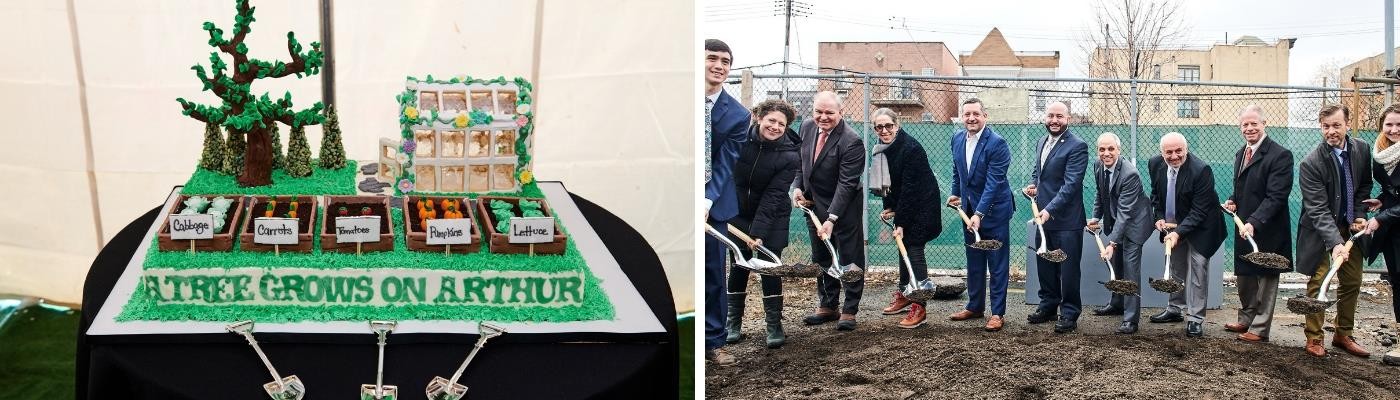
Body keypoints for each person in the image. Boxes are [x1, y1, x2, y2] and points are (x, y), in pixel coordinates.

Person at [1298, 105, 1373, 358]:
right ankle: (1314, 337)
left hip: (1351, 225)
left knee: (1352, 280)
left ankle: (1343, 334)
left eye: (1336, 125)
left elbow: (1364, 185)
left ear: (1347, 124)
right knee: (1319, 280)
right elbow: (1317, 209)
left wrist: (1360, 214)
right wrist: (1335, 243)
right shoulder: (1311, 162)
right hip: (1320, 230)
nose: (1331, 131)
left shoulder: (1361, 149)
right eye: (1326, 126)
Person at [724, 99, 800, 349]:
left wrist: (758, 232)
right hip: (738, 211)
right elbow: (728, 175)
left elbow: (774, 194)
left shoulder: (790, 154)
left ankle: (774, 325)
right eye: (771, 121)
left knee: (769, 265)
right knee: (739, 262)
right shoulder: (739, 138)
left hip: (772, 214)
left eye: (781, 123)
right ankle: (732, 323)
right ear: (759, 118)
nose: (775, 127)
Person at [793, 91, 867, 331]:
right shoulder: (805, 127)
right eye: (818, 112)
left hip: (843, 209)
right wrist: (796, 188)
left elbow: (847, 184)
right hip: (813, 206)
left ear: (841, 113)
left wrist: (832, 218)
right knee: (823, 255)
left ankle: (849, 310)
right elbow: (800, 162)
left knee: (849, 257)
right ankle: (828, 305)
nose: (823, 117)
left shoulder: (851, 141)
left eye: (829, 113)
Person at [1221, 105, 1294, 343]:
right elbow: (1244, 188)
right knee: (1245, 276)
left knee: (1266, 278)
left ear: (1264, 124)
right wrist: (1233, 200)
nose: (1250, 128)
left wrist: (1254, 222)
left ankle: (1260, 328)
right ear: (1240, 127)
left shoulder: (1280, 155)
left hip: (1268, 227)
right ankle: (1246, 318)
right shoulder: (1240, 153)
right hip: (1245, 226)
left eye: (1254, 123)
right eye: (1245, 124)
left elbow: (1277, 196)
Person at [869, 107, 943, 329]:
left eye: (888, 126)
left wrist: (900, 222)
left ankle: (919, 306)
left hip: (923, 206)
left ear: (897, 125)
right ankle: (904, 294)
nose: (884, 130)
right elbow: (888, 186)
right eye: (879, 127)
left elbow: (911, 189)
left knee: (913, 249)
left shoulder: (911, 148)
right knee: (903, 250)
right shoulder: (881, 150)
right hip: (906, 205)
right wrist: (890, 206)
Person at [1147, 132, 1226, 338]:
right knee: (1176, 266)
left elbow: (1199, 211)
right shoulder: (1155, 164)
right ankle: (1174, 309)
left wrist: (1178, 233)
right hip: (1174, 223)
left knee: (1198, 268)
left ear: (1186, 149)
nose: (1174, 156)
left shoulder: (1201, 170)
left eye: (1178, 151)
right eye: (1169, 152)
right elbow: (1156, 195)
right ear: (1161, 153)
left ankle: (1195, 318)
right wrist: (1159, 217)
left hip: (1203, 226)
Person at [947, 98, 1015, 332]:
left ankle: (997, 313)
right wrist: (956, 195)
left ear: (985, 116)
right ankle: (975, 307)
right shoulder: (956, 138)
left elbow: (993, 183)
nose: (971, 118)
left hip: (994, 212)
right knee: (974, 261)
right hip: (968, 212)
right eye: (967, 114)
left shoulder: (997, 143)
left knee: (997, 264)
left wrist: (979, 213)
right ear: (962, 117)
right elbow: (957, 171)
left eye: (976, 113)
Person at [703, 39, 749, 366]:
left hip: (713, 202)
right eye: (712, 58)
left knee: (713, 272)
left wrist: (705, 199)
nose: (719, 65)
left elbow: (726, 162)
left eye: (726, 61)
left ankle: (714, 341)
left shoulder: (737, 115)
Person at [1023, 100, 1088, 334]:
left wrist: (1049, 209)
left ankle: (1069, 312)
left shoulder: (1077, 146)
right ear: (1045, 118)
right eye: (1051, 115)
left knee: (1068, 268)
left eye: (1059, 116)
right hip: (1043, 217)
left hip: (1067, 221)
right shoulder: (1041, 141)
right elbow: (1039, 172)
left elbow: (1071, 186)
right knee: (1045, 263)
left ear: (1068, 119)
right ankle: (1048, 305)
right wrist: (1033, 186)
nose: (1054, 120)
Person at [1086, 132, 1154, 334]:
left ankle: (1131, 320)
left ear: (1119, 150)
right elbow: (1101, 193)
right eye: (1101, 149)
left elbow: (1125, 213)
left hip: (1135, 225)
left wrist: (1112, 243)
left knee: (1130, 270)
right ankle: (1116, 304)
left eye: (1110, 149)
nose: (1106, 153)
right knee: (1115, 264)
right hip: (1117, 221)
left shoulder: (1130, 174)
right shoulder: (1098, 166)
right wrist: (1095, 218)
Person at [1368, 104, 1400, 365]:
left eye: (1399, 125)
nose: (1394, 129)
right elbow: (1393, 191)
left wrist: (1381, 218)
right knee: (1398, 283)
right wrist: (1381, 201)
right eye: (1389, 124)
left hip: (1391, 223)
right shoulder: (1381, 154)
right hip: (1393, 232)